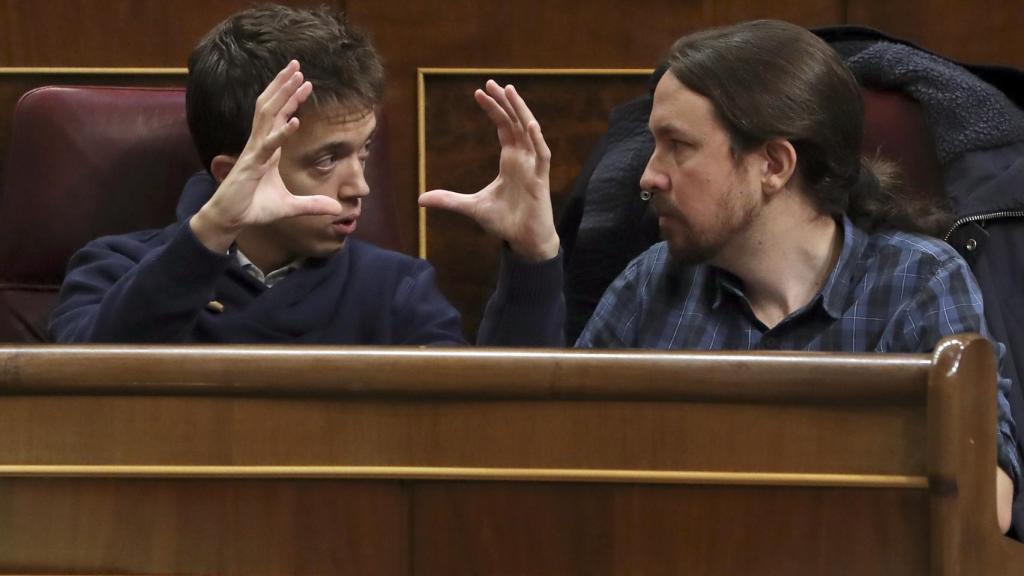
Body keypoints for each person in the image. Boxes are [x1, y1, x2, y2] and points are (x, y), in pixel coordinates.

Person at [418, 20, 1021, 532]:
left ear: (774, 165)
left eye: (676, 145)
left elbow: (987, 502)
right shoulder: (651, 281)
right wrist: (533, 256)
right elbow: (536, 458)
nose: (647, 176)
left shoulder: (918, 280)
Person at [50, 5, 473, 345]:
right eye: (326, 160)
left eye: (363, 151)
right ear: (234, 174)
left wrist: (536, 259)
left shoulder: (398, 289)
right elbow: (84, 394)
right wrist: (211, 231)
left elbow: (488, 429)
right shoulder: (113, 268)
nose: (360, 186)